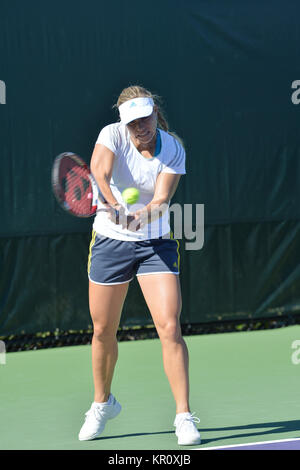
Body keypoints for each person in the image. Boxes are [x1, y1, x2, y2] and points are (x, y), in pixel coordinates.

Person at [78, 85, 201, 446]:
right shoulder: (111, 135)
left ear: (154, 113)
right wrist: (115, 207)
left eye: (145, 119)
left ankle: (183, 415)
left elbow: (162, 199)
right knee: (103, 330)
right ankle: (102, 404)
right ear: (123, 123)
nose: (140, 128)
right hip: (110, 242)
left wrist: (142, 216)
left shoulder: (172, 147)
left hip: (155, 244)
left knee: (169, 326)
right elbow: (99, 174)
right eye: (132, 123)